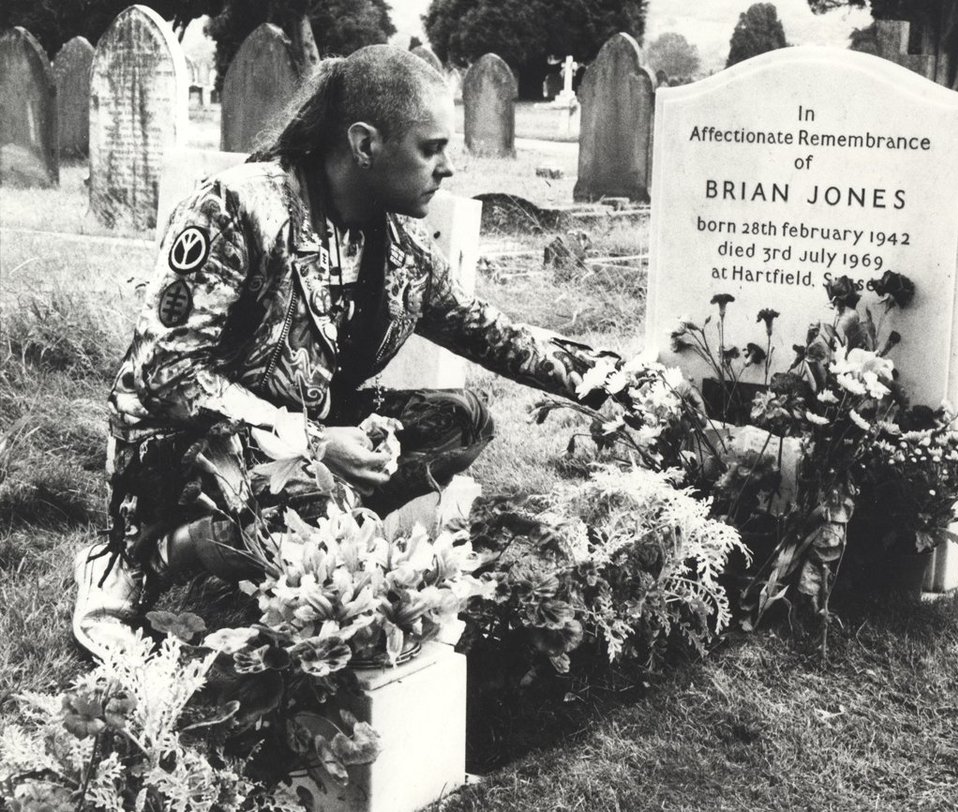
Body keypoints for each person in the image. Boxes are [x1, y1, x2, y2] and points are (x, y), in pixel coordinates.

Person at [73, 45, 617, 659]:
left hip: (305, 428)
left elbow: (493, 335)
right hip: (182, 448)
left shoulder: (399, 242)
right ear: (365, 145)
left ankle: (320, 512)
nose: (448, 168)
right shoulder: (236, 209)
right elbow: (164, 376)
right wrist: (315, 442)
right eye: (431, 148)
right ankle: (151, 554)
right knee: (305, 549)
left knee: (462, 420)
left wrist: (614, 383)